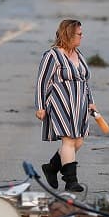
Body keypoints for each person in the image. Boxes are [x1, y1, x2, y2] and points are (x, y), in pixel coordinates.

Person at [34, 19, 97, 192]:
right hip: (60, 103)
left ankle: (52, 167)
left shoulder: (79, 55)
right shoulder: (52, 55)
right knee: (68, 141)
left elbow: (84, 81)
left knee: (78, 142)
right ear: (69, 34)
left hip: (80, 105)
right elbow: (42, 82)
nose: (82, 36)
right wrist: (40, 106)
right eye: (79, 34)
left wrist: (91, 102)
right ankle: (71, 181)